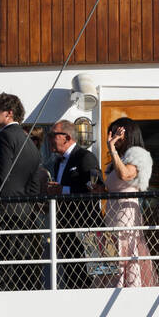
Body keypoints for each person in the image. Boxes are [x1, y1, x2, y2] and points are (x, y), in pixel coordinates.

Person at [0, 93, 44, 290]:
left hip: (1, 214)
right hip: (25, 216)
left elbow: (0, 178)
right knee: (23, 271)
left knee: (1, 269)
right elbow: (34, 187)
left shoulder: (5, 137)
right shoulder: (30, 143)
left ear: (9, 114)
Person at [102, 121, 157, 288]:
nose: (112, 138)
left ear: (127, 133)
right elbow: (116, 185)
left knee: (125, 253)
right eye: (110, 134)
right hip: (112, 214)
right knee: (112, 256)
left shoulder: (138, 154)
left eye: (115, 133)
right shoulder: (119, 158)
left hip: (125, 217)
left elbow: (126, 175)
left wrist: (111, 148)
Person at [48, 118, 100, 289]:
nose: (49, 139)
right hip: (66, 230)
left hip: (85, 229)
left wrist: (62, 190)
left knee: (89, 279)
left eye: (53, 135)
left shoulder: (85, 157)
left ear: (67, 137)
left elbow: (94, 190)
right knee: (71, 278)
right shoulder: (57, 162)